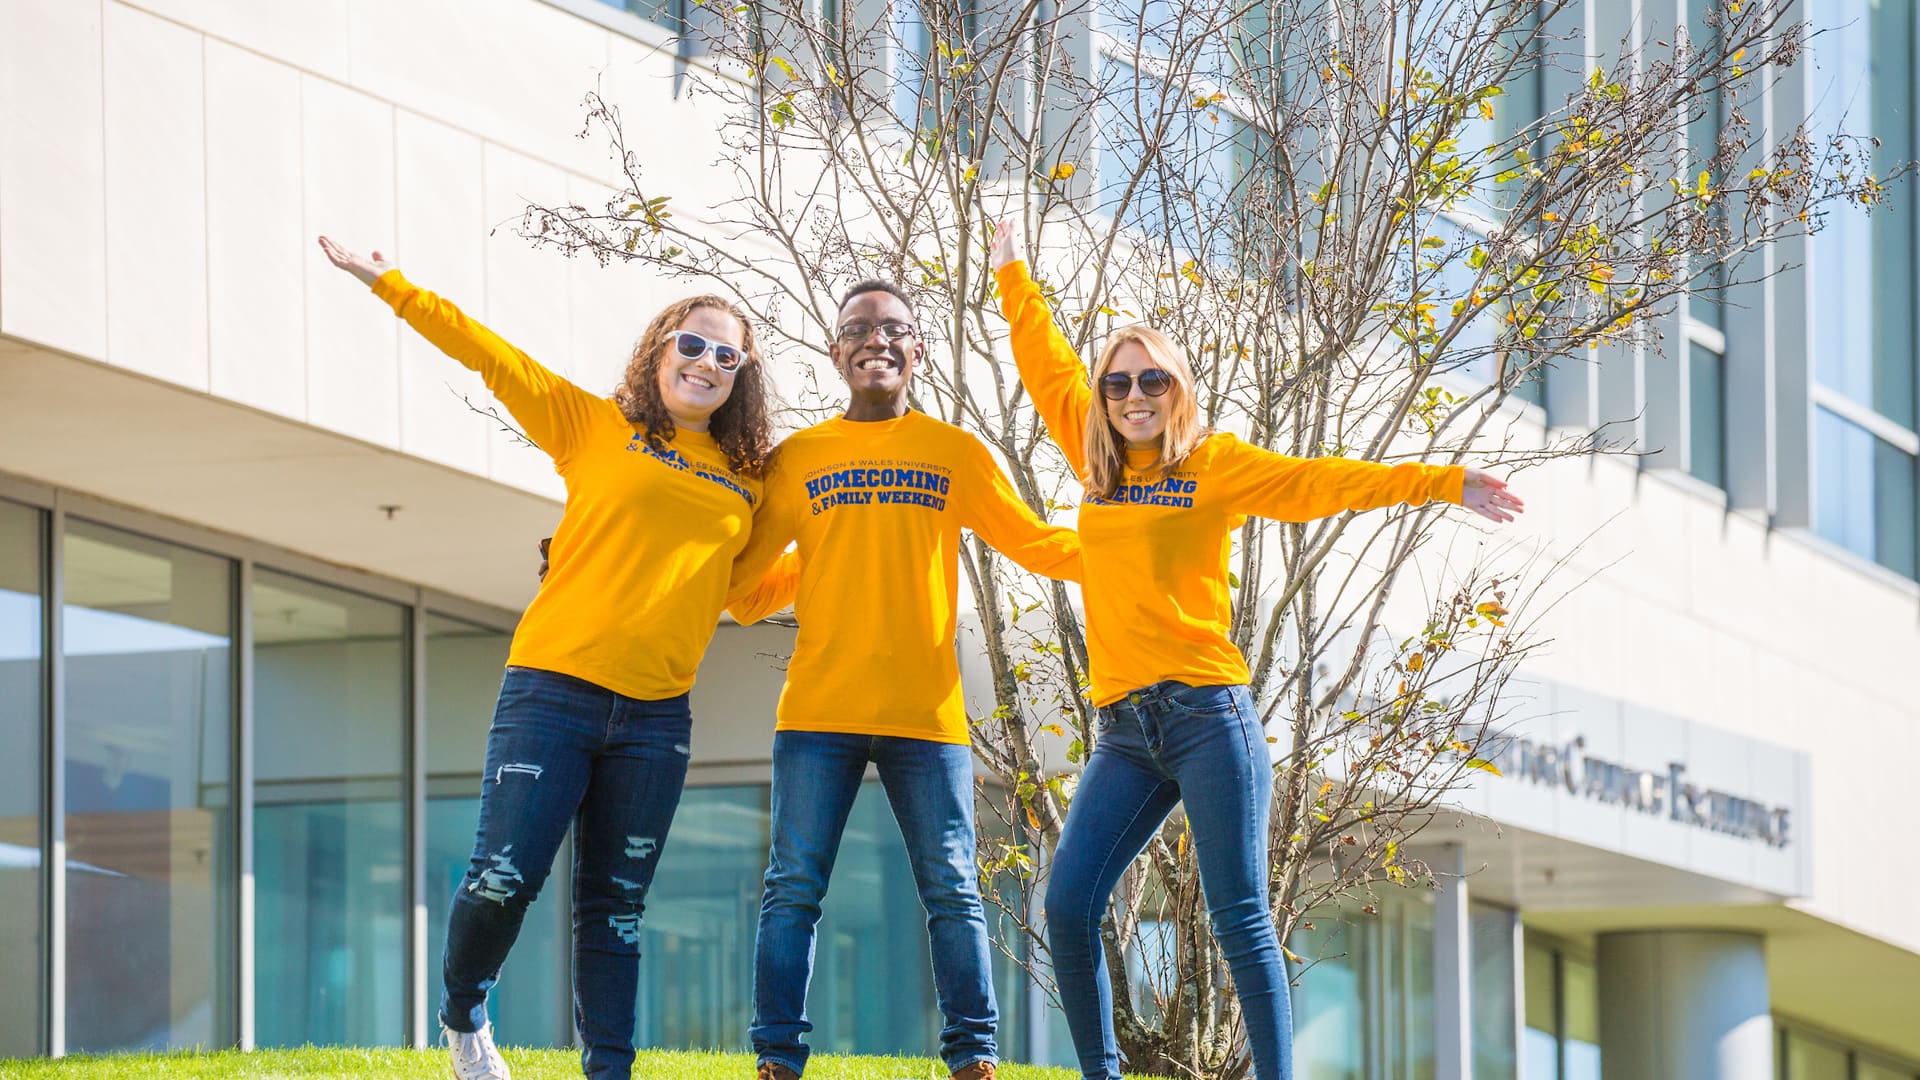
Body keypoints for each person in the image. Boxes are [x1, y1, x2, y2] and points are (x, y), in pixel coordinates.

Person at [988, 221, 1525, 1080]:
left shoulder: (1215, 466)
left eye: (1151, 379)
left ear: (1176, 390)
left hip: (1208, 717)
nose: (1133, 393)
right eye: (1119, 381)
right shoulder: (1097, 466)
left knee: (1238, 915)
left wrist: (1441, 480)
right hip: (1125, 729)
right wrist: (1012, 267)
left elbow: (1321, 483)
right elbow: (1042, 358)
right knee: (1067, 901)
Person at [317, 237, 796, 1080]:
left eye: (728, 355)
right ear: (659, 352)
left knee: (615, 911)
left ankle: (608, 1070)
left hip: (656, 716)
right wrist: (388, 282)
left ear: (740, 376)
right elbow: (491, 358)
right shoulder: (593, 425)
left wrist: (844, 553)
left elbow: (746, 594)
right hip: (554, 690)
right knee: (503, 877)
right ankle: (465, 1012)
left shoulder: (746, 481)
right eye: (693, 344)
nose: (708, 362)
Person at [724, 280, 1083, 1080]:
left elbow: (1035, 545)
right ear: (835, 351)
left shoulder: (953, 453)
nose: (875, 340)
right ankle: (778, 1059)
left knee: (953, 890)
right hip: (820, 710)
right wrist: (807, 568)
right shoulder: (799, 460)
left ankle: (974, 1057)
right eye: (858, 329)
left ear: (918, 349)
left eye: (893, 329)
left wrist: (1133, 549)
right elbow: (744, 593)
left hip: (929, 715)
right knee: (792, 890)